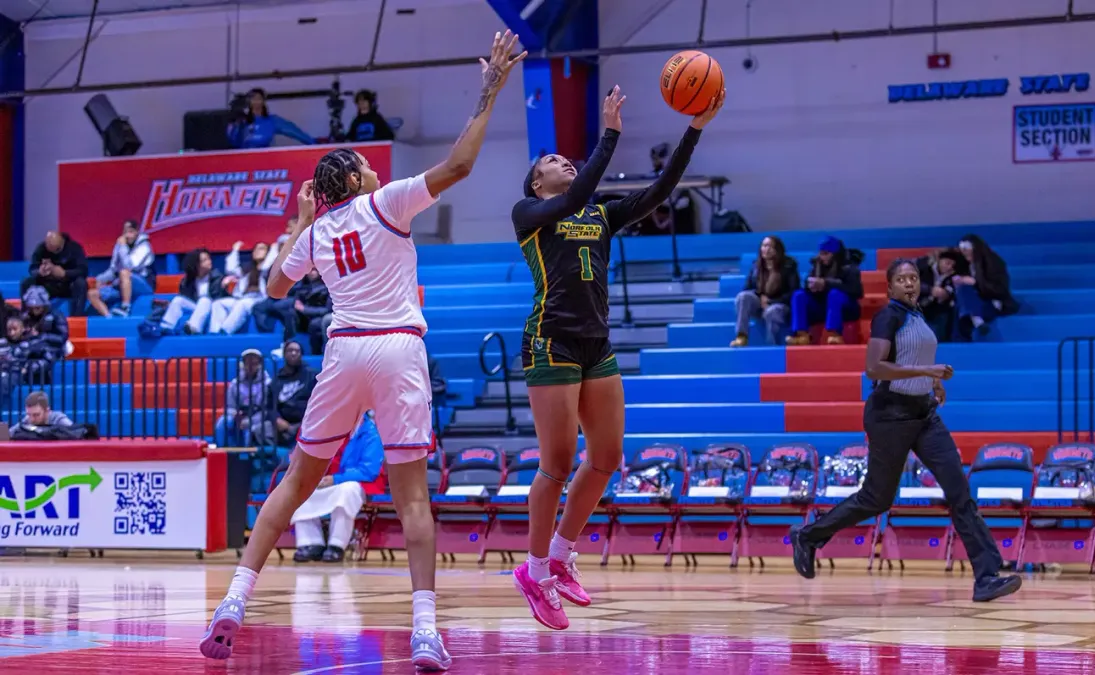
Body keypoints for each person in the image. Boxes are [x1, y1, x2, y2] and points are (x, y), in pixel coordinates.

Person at [200, 30, 526, 671]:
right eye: (365, 163)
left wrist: (298, 221)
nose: (376, 166)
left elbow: (272, 286)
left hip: (344, 353)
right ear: (352, 178)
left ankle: (233, 602)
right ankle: (426, 632)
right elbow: (460, 167)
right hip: (398, 351)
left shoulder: (319, 231)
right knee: (412, 500)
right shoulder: (384, 201)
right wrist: (488, 94)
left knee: (295, 483)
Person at [509, 83, 724, 631]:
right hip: (550, 339)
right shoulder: (532, 213)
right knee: (556, 463)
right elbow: (576, 196)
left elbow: (661, 190)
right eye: (555, 160)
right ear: (539, 181)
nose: (565, 162)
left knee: (605, 457)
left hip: (596, 343)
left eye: (567, 158)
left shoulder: (600, 214)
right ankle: (533, 570)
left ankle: (561, 553)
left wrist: (694, 129)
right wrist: (610, 133)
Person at [788, 258, 1023, 603]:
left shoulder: (917, 316)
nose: (910, 283)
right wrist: (928, 370)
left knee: (960, 492)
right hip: (890, 416)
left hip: (924, 414)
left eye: (914, 277)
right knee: (876, 499)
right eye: (902, 279)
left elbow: (912, 361)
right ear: (890, 287)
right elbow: (874, 368)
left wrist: (932, 384)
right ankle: (809, 536)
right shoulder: (889, 316)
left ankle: (986, 576)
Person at [291, 410, 386, 563]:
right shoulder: (332, 431)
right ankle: (310, 542)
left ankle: (337, 544)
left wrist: (335, 479)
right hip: (334, 480)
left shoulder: (371, 433)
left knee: (347, 491)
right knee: (302, 488)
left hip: (363, 483)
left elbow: (369, 471)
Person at [786, 236, 865, 345]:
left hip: (845, 309)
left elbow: (857, 291)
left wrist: (826, 284)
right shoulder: (817, 265)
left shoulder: (850, 268)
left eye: (826, 254)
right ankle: (801, 334)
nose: (822, 257)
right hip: (822, 307)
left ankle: (835, 334)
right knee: (799, 295)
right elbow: (808, 286)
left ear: (835, 254)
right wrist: (811, 287)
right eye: (821, 253)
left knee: (834, 294)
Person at [730, 235, 799, 347]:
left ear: (778, 250)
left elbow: (793, 292)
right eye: (764, 246)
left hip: (780, 304)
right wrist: (761, 297)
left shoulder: (789, 266)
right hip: (760, 302)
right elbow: (747, 288)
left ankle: (772, 346)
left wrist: (771, 301)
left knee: (771, 312)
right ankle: (741, 336)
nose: (766, 249)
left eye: (770, 246)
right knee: (743, 297)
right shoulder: (756, 265)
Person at [954, 234, 1018, 341]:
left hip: (992, 303)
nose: (964, 253)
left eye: (966, 249)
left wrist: (975, 282)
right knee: (961, 292)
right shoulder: (966, 265)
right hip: (974, 304)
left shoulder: (993, 262)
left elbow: (1000, 289)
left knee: (965, 305)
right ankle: (975, 321)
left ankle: (976, 320)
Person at [89, 220, 156, 318]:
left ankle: (125, 307)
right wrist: (100, 279)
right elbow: (113, 269)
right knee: (92, 294)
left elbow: (129, 266)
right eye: (125, 232)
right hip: (122, 286)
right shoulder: (120, 246)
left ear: (137, 232)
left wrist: (123, 247)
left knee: (124, 273)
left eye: (131, 232)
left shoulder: (145, 246)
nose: (127, 236)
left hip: (144, 285)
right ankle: (109, 318)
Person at [160, 248, 232, 334]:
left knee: (205, 300)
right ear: (196, 264)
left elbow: (217, 299)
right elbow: (186, 298)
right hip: (197, 308)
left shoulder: (217, 277)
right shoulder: (187, 281)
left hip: (212, 309)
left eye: (209, 258)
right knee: (178, 300)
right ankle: (166, 327)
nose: (209, 262)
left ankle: (194, 328)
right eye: (204, 260)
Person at [213, 349, 272, 447]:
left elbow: (266, 410)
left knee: (249, 430)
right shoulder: (235, 383)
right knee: (222, 423)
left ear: (260, 364)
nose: (250, 366)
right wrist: (235, 415)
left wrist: (249, 421)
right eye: (248, 362)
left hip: (257, 416)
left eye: (254, 362)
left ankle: (245, 457)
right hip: (238, 415)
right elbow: (230, 406)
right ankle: (222, 452)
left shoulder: (267, 383)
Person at [23, 231, 88, 317]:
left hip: (68, 284)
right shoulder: (41, 249)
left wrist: (65, 273)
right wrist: (40, 271)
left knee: (81, 283)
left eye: (56, 250)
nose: (54, 253)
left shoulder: (74, 248)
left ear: (62, 243)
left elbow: (83, 270)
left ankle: (77, 317)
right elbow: (32, 269)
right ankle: (26, 315)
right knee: (27, 282)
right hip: (49, 285)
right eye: (50, 250)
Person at [267, 340, 317, 448]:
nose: (294, 353)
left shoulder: (311, 376)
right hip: (283, 425)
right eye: (290, 350)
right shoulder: (277, 380)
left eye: (297, 351)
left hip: (306, 423)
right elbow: (270, 406)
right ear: (284, 354)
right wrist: (276, 419)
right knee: (260, 429)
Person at [227, 88, 315, 149]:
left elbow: (294, 131)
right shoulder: (243, 121)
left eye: (259, 98)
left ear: (263, 101)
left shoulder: (272, 121)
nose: (256, 102)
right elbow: (233, 141)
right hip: (244, 160)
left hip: (264, 159)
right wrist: (236, 124)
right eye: (253, 99)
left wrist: (314, 144)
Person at [210, 242, 269, 334]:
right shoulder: (247, 270)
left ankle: (225, 331)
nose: (257, 251)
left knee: (243, 304)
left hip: (259, 300)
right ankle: (214, 332)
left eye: (261, 249)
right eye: (256, 249)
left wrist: (274, 248)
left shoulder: (269, 269)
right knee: (218, 303)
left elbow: (267, 264)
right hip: (242, 299)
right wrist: (235, 250)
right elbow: (231, 269)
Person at [918, 248, 968, 342]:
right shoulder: (924, 270)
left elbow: (952, 291)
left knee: (945, 315)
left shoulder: (953, 276)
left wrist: (946, 293)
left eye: (952, 265)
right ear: (939, 261)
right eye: (947, 263)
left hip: (940, 309)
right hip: (920, 307)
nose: (949, 267)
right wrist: (931, 290)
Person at [19, 286, 69, 364]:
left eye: (37, 308)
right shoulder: (25, 317)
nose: (34, 311)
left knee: (45, 358)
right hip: (30, 347)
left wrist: (42, 336)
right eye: (31, 308)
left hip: (51, 348)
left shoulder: (56, 315)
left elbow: (62, 337)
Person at [8, 390, 73, 437]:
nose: (32, 419)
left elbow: (74, 433)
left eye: (36, 415)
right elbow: (9, 434)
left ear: (47, 411)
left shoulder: (58, 419)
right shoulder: (27, 419)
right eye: (29, 414)